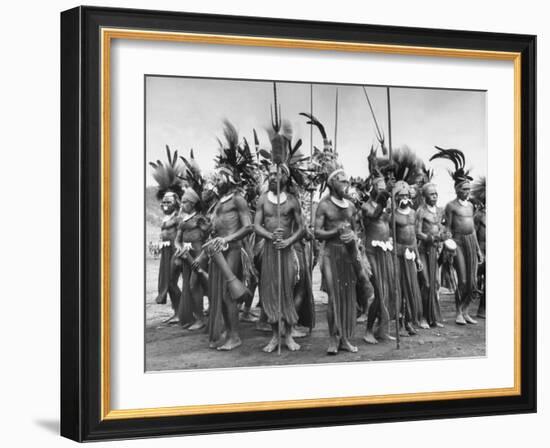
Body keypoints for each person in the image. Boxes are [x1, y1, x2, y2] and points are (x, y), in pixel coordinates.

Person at [204, 120, 256, 350]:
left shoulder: (238, 199)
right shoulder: (217, 203)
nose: (215, 180)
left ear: (228, 178)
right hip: (217, 253)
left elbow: (248, 227)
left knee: (228, 294)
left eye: (218, 177)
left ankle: (235, 336)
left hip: (233, 250)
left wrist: (225, 239)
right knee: (219, 294)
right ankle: (228, 332)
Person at [430, 147, 483, 325]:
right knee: (463, 279)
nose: (466, 192)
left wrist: (477, 250)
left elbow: (474, 229)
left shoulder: (470, 206)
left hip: (470, 241)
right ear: (456, 189)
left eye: (468, 189)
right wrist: (448, 243)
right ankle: (458, 312)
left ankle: (466, 310)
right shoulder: (451, 206)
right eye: (463, 189)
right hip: (458, 243)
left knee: (473, 281)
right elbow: (448, 228)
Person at [254, 164, 304, 352]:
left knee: (287, 291)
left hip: (287, 250)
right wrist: (269, 235)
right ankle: (275, 336)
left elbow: (301, 228)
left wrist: (289, 240)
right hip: (269, 250)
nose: (273, 176)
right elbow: (256, 225)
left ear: (285, 176)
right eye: (271, 174)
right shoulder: (262, 200)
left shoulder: (292, 200)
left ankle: (288, 335)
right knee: (270, 292)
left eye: (277, 173)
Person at [315, 166, 361, 355]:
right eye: (341, 180)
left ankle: (344, 339)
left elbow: (356, 230)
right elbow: (317, 233)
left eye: (347, 180)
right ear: (331, 183)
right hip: (329, 254)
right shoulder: (324, 205)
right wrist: (336, 232)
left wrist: (354, 238)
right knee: (334, 298)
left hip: (347, 254)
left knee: (347, 297)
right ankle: (332, 339)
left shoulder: (350, 206)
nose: (346, 183)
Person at [361, 176, 395, 344]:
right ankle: (367, 331)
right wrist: (386, 195)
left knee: (387, 291)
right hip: (371, 252)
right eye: (379, 188)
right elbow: (374, 216)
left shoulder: (386, 204)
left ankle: (381, 329)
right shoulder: (366, 206)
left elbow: (389, 222)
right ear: (372, 188)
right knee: (379, 292)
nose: (381, 190)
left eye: (384, 188)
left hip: (384, 250)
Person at [174, 187, 210, 331]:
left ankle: (202, 318)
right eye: (181, 202)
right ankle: (197, 316)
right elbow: (177, 240)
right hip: (186, 257)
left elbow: (208, 237)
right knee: (191, 286)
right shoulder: (182, 221)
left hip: (199, 256)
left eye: (184, 202)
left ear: (192, 203)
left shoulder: (200, 219)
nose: (182, 205)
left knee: (195, 285)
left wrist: (202, 257)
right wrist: (178, 247)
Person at [393, 181, 424, 334]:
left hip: (411, 255)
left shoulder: (413, 213)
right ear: (396, 198)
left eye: (407, 195)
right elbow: (389, 237)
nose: (405, 198)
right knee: (399, 289)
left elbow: (413, 239)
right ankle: (398, 322)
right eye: (401, 195)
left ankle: (408, 321)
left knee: (410, 289)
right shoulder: (393, 214)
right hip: (398, 255)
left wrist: (418, 258)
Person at [416, 182, 447, 328]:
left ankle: (433, 317)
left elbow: (440, 226)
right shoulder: (420, 211)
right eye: (431, 194)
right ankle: (422, 317)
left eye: (436, 194)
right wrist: (429, 238)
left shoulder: (440, 211)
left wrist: (443, 234)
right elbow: (417, 232)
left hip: (435, 250)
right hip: (423, 250)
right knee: (426, 284)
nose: (435, 196)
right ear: (424, 196)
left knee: (435, 284)